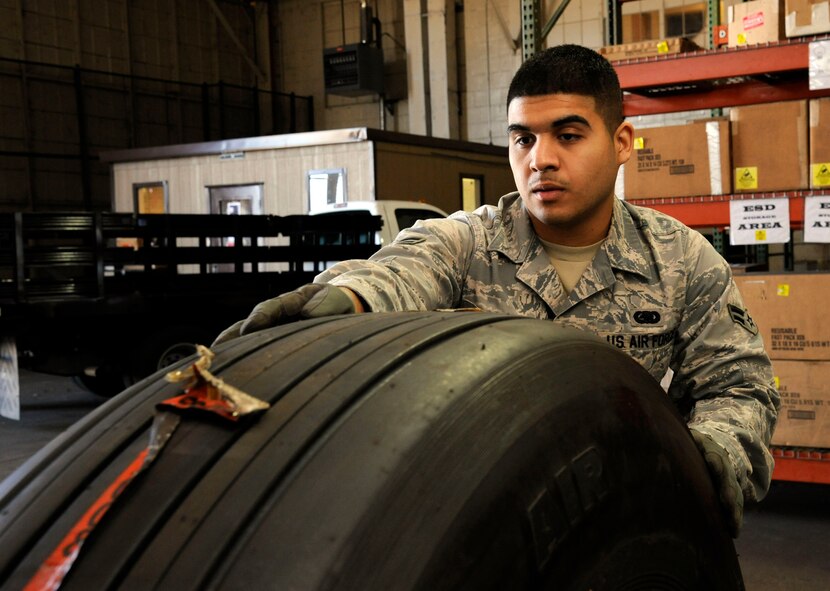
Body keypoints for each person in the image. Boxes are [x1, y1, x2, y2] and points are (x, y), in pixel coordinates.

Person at [213, 44, 779, 538]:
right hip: (480, 521)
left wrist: (715, 451)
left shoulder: (681, 259)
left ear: (622, 141)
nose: (541, 159)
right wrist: (350, 300)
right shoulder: (469, 243)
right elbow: (405, 268)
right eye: (522, 139)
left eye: (569, 134)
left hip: (626, 517)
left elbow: (741, 385)